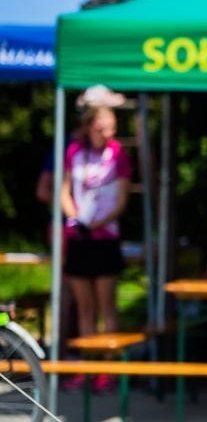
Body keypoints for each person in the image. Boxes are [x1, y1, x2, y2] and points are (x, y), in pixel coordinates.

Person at [61, 104, 132, 392]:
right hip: (79, 238)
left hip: (105, 238)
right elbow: (65, 191)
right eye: (101, 128)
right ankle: (87, 368)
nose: (107, 133)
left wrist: (95, 223)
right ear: (89, 127)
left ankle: (108, 369)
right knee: (84, 307)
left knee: (106, 306)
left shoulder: (119, 154)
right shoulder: (75, 151)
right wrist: (75, 219)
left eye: (111, 128)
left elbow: (122, 201)